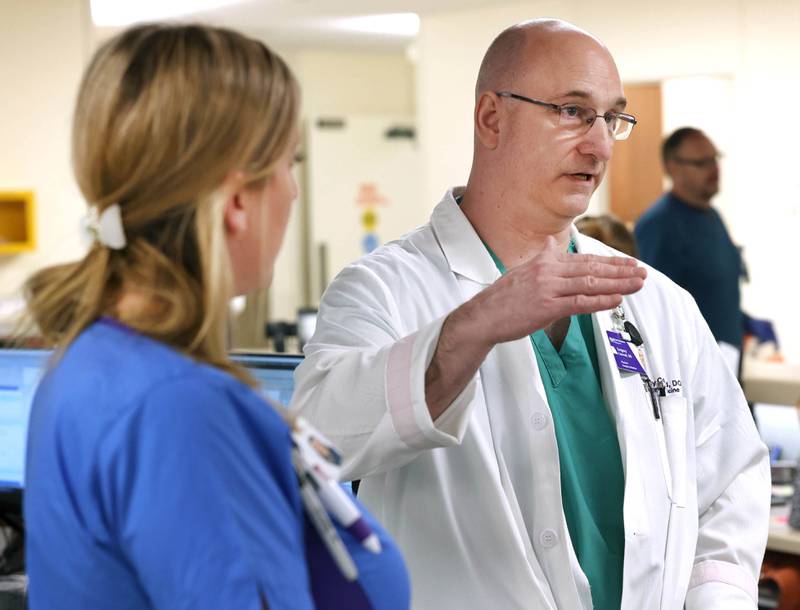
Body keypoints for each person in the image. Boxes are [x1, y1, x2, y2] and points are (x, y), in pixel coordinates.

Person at [292, 18, 769, 610]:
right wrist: (477, 323)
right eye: (571, 112)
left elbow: (730, 481)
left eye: (611, 119)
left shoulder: (656, 300)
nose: (599, 147)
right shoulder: (384, 289)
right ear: (492, 118)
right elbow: (321, 440)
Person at [22, 24, 409, 610]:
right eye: (289, 163)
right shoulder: (182, 409)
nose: (293, 191)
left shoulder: (86, 360)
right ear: (236, 202)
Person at [634, 128, 746, 359]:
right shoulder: (659, 225)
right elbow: (653, 309)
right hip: (694, 370)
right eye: (702, 163)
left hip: (727, 359)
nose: (715, 169)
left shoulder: (713, 217)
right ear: (673, 167)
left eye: (715, 159)